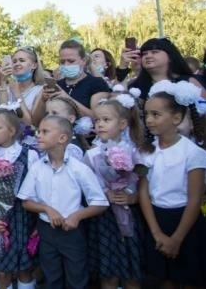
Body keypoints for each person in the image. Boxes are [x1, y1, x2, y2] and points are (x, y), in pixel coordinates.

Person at [17, 115, 109, 289]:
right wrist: (47, 209)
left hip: (72, 231)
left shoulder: (79, 169)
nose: (38, 135)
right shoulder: (37, 167)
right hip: (46, 229)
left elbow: (100, 203)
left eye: (45, 131)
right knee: (52, 276)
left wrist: (77, 216)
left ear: (62, 138)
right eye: (38, 131)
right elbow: (26, 201)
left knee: (77, 277)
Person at [138, 80, 206, 288]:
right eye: (146, 115)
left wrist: (176, 239)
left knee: (187, 276)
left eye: (156, 115)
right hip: (155, 219)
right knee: (163, 278)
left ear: (176, 118)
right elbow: (144, 193)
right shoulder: (147, 151)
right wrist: (156, 233)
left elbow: (195, 199)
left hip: (185, 222)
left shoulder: (193, 153)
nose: (149, 120)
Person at [84, 95, 147, 289]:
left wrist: (133, 196)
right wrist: (104, 194)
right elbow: (87, 186)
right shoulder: (91, 154)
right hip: (104, 217)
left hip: (129, 214)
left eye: (106, 119)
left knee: (131, 273)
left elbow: (143, 182)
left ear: (122, 124)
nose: (100, 124)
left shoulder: (135, 151)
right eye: (97, 120)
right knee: (108, 273)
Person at [0, 107, 38, 289]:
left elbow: (38, 190)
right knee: (1, 268)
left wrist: (38, 224)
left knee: (24, 267)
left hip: (22, 217)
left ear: (12, 131)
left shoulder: (29, 154)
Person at [35, 39, 111, 123]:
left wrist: (68, 99)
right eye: (62, 62)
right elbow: (36, 121)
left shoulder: (97, 83)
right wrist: (42, 100)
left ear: (83, 61)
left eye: (71, 61)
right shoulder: (57, 85)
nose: (66, 65)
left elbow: (97, 118)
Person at [0, 47, 45, 126]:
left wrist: (17, 94)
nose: (17, 64)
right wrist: (3, 82)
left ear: (34, 65)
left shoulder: (40, 90)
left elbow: (30, 123)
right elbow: (0, 115)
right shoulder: (7, 88)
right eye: (14, 61)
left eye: (22, 60)